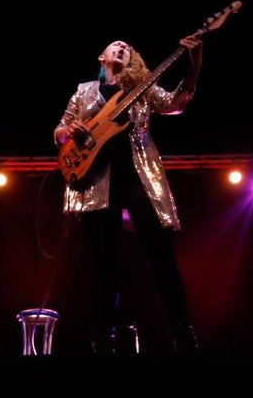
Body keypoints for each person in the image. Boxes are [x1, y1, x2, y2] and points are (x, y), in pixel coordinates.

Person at [54, 34, 204, 355]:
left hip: (139, 178)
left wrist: (194, 65)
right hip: (96, 181)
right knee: (102, 264)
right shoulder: (84, 91)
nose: (122, 47)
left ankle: (182, 332)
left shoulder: (143, 87)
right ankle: (102, 338)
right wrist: (69, 131)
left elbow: (175, 104)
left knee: (161, 255)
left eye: (128, 47)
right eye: (115, 45)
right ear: (101, 56)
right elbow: (60, 129)